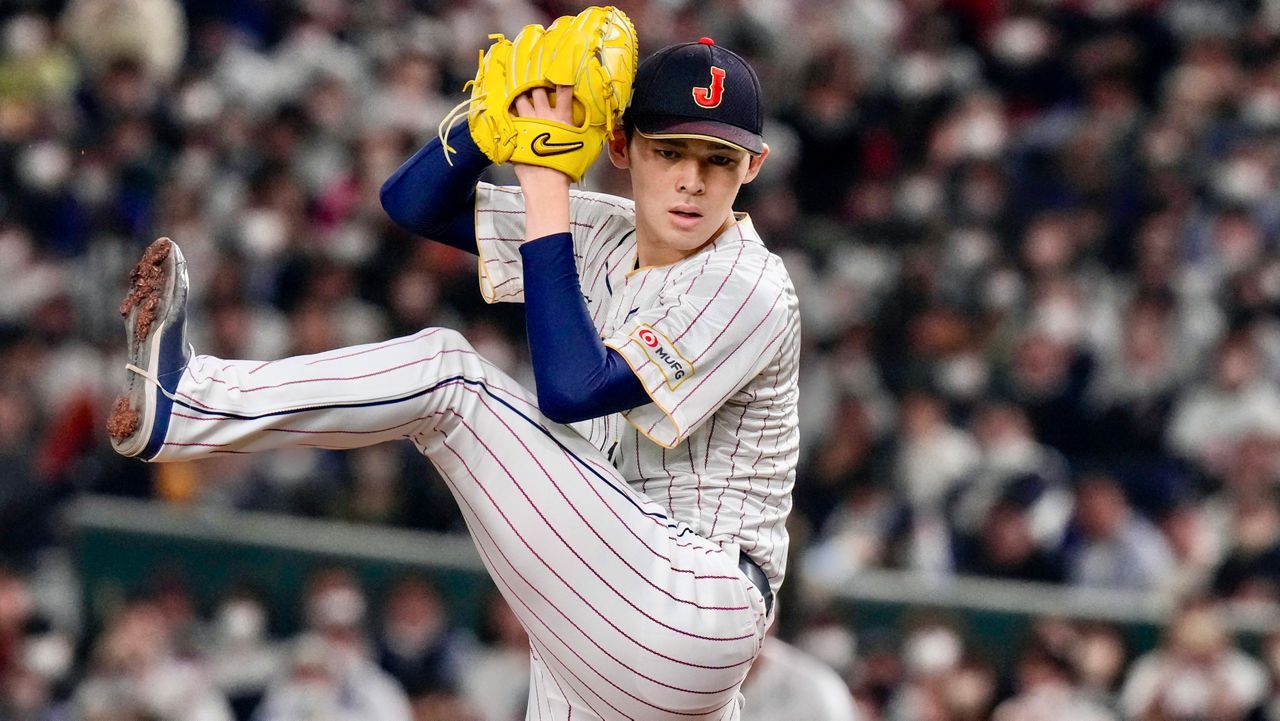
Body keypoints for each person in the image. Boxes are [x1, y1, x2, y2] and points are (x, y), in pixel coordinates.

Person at [105, 17, 798, 721]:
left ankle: (188, 403)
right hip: (598, 617)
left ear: (753, 167)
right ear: (621, 146)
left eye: (717, 160)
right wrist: (489, 123)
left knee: (452, 380)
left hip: (691, 608)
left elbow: (572, 390)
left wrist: (546, 180)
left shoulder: (747, 283)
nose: (691, 180)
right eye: (669, 150)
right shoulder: (608, 232)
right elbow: (413, 204)